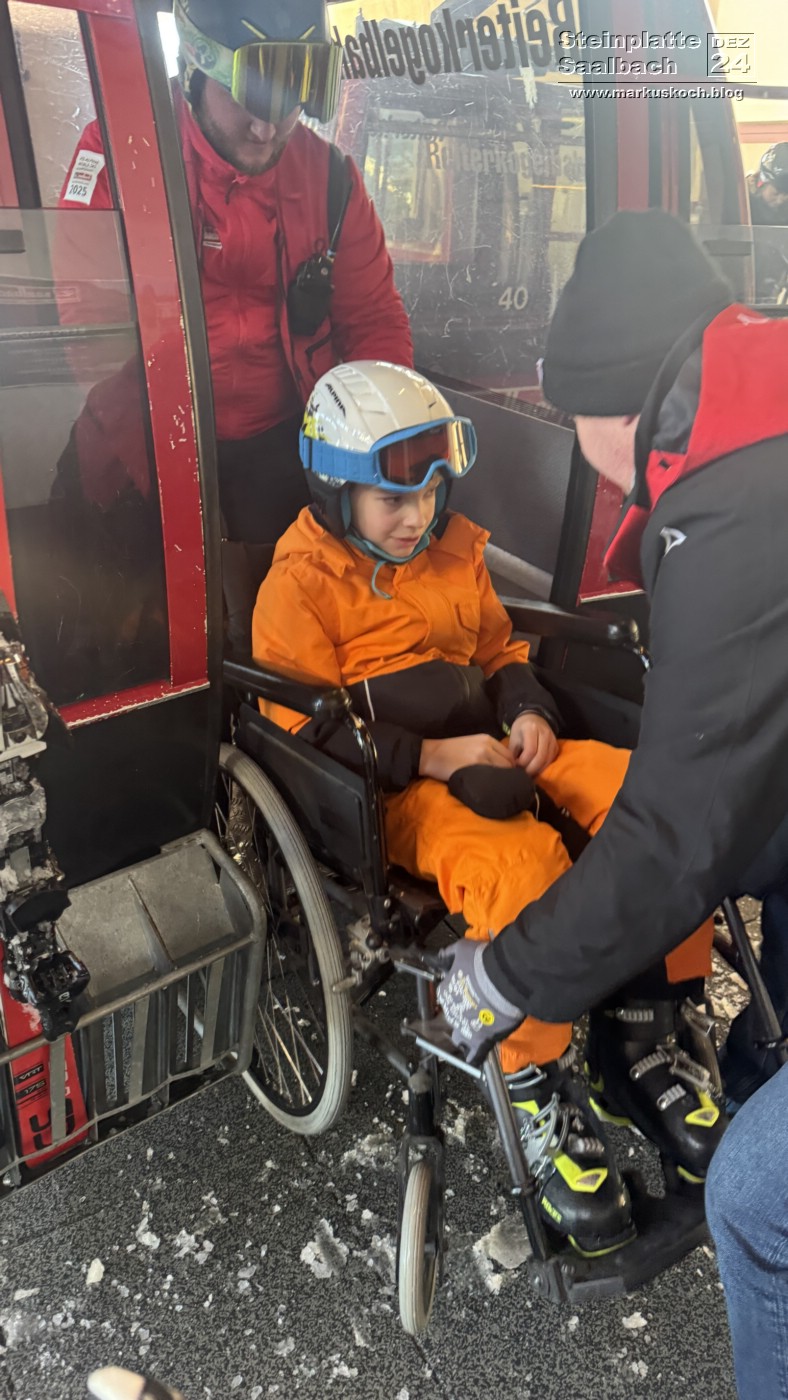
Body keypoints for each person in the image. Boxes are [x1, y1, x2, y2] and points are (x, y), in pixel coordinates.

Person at [251, 358, 723, 1259]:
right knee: (520, 863)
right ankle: (537, 1080)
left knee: (661, 796)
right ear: (334, 490)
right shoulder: (300, 587)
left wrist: (530, 711)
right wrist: (430, 756)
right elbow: (303, 730)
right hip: (397, 788)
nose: (417, 515)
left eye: (432, 492)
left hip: (493, 740)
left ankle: (643, 1031)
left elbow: (502, 652)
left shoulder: (452, 552)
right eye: (393, 499)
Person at [432, 210, 788, 1399]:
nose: (577, 454)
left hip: (534, 768)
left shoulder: (726, 513)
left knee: (754, 1205)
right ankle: (731, 1066)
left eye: (568, 416)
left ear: (614, 401)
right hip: (433, 771)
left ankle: (653, 1042)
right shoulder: (759, 409)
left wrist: (502, 975)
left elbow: (674, 832)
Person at [58, 0, 413, 548]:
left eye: (289, 103)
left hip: (281, 443)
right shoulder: (119, 156)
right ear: (195, 70)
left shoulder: (331, 180)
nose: (266, 128)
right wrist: (170, 479)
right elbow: (89, 333)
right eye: (247, 99)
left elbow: (373, 321)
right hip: (142, 440)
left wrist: (386, 451)